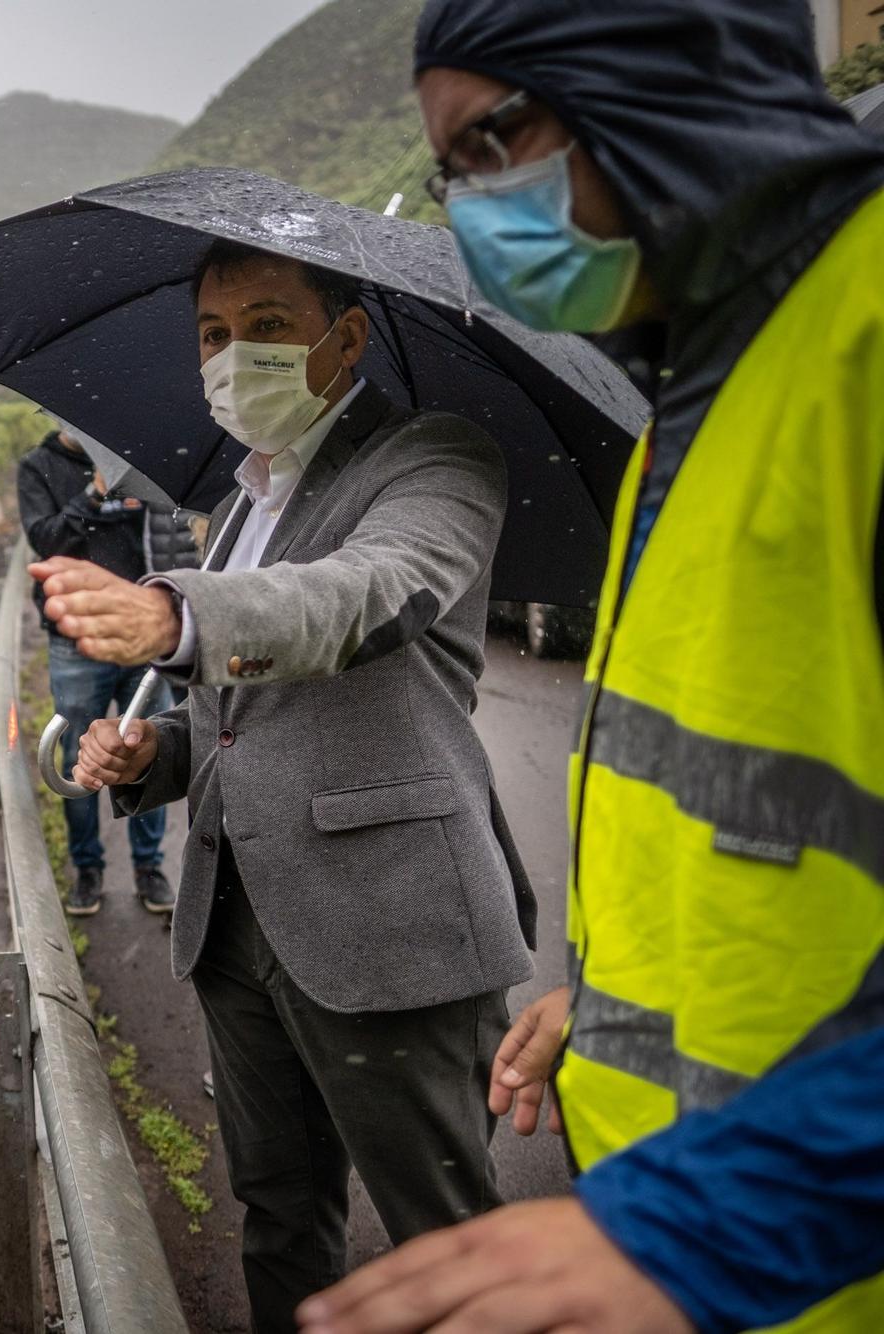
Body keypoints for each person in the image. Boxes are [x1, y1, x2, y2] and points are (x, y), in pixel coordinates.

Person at [292, 3, 884, 1334]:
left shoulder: (863, 329)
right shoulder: (706, 390)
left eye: (494, 141)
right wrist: (608, 1009)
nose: (478, 208)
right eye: (452, 176)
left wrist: (710, 1222)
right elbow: (758, 823)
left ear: (660, 79)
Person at [33, 240, 537, 1334]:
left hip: (387, 922)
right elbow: (242, 716)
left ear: (343, 337)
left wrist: (177, 614)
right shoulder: (238, 502)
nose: (231, 356)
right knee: (275, 1212)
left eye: (264, 324)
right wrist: (153, 754)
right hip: (235, 924)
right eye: (212, 336)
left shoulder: (433, 460)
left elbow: (363, 597)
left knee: (444, 1240)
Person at [17, 418, 197, 915]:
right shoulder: (39, 467)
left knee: (142, 748)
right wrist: (95, 491)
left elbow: (167, 534)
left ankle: (148, 867)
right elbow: (48, 540)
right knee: (79, 760)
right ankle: (88, 868)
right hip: (75, 646)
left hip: (142, 640)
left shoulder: (134, 457)